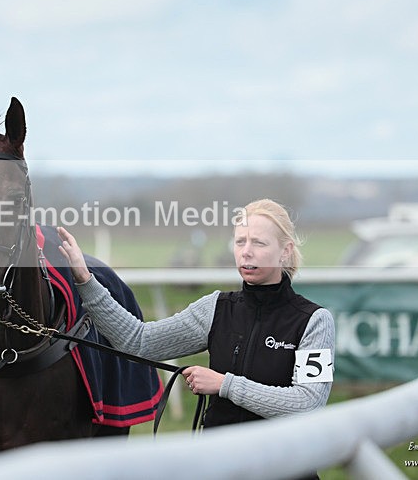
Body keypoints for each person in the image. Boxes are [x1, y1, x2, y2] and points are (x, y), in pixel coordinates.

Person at [57, 198, 335, 467]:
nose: (246, 251)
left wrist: (224, 384)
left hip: (286, 468)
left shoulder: (315, 320)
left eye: (259, 243)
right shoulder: (215, 308)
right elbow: (138, 341)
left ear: (285, 250)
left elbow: (308, 403)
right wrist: (85, 280)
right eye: (240, 241)